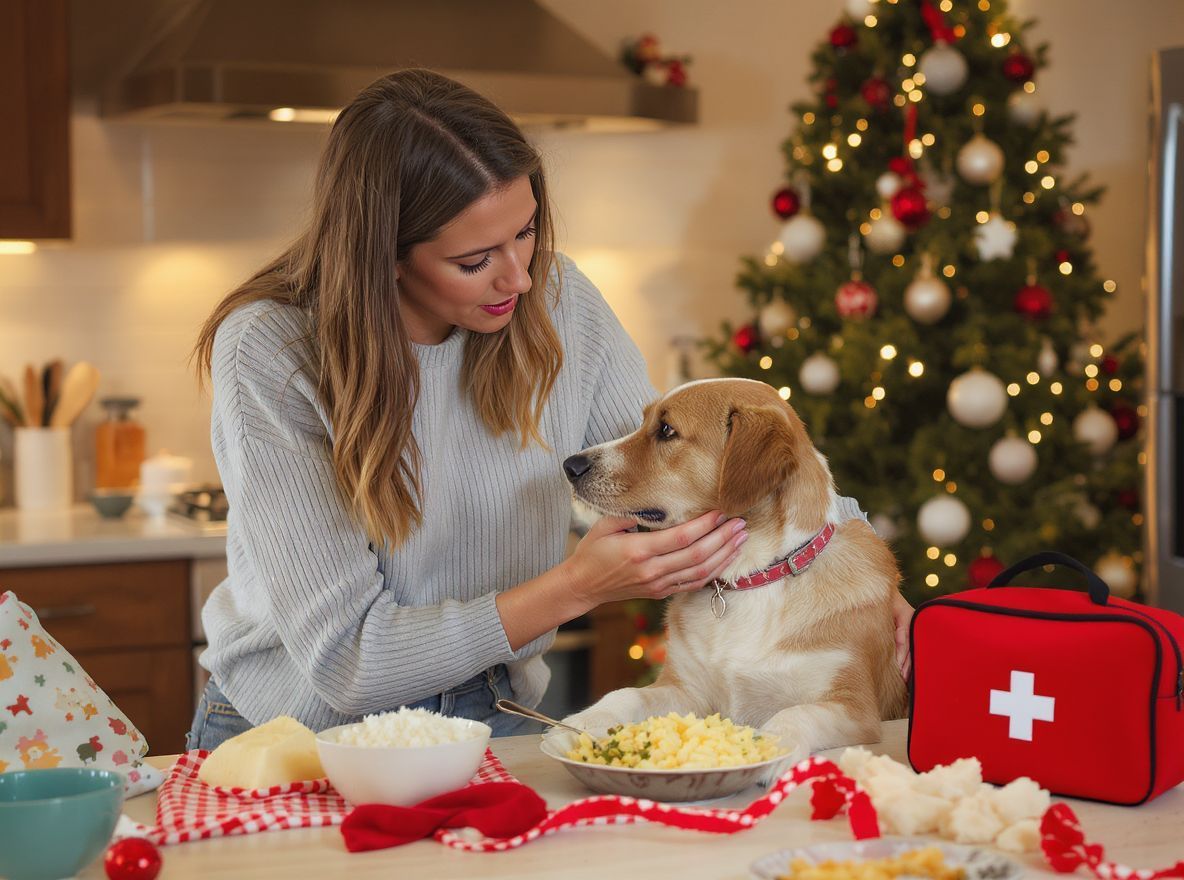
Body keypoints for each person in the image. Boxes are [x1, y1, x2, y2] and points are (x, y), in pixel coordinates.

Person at [187, 69, 913, 751]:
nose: (521, 276)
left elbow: (686, 471)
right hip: (298, 741)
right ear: (385, 254)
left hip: (490, 720)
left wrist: (852, 574)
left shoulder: (557, 301)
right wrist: (575, 587)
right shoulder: (273, 349)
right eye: (475, 261)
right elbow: (347, 662)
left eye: (527, 231)